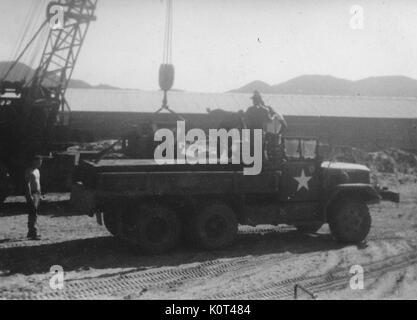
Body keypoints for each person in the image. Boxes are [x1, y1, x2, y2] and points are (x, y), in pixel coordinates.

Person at [25, 155, 42, 240]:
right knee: (33, 213)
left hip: (37, 193)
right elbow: (27, 184)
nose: (40, 163)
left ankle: (31, 232)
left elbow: (39, 183)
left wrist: (40, 194)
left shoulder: (37, 171)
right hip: (32, 193)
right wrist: (29, 195)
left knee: (35, 213)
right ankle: (33, 232)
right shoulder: (29, 171)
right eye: (38, 162)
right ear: (34, 161)